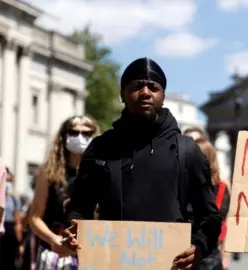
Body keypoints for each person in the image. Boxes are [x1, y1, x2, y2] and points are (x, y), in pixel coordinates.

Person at [62, 57, 222, 269]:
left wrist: (199, 247)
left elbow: (210, 216)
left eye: (153, 87)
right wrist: (74, 228)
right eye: (137, 86)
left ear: (162, 96)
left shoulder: (187, 151)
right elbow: (80, 206)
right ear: (123, 94)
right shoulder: (101, 148)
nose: (145, 92)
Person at [29, 115, 100, 270]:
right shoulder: (48, 173)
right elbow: (34, 217)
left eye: (86, 133)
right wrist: (53, 239)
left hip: (89, 255)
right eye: (74, 133)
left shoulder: (100, 173)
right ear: (64, 136)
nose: (80, 137)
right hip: (54, 255)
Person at [194, 138, 231, 270]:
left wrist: (225, 257)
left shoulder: (222, 187)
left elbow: (227, 224)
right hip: (195, 255)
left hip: (210, 257)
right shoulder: (185, 185)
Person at [0, 168, 23, 269]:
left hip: (9, 236)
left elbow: (18, 223)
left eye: (9, 181)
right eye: (6, 180)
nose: (7, 183)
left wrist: (20, 243)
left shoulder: (13, 199)